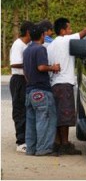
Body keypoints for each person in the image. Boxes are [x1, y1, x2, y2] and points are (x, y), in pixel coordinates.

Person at [47, 8, 86, 155]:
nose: (71, 30)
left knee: (58, 114)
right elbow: (85, 31)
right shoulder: (66, 40)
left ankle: (57, 143)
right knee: (66, 115)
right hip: (64, 83)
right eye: (69, 28)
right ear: (62, 31)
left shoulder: (51, 45)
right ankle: (65, 144)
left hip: (54, 83)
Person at [23, 24, 61, 156]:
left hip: (29, 90)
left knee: (31, 121)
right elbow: (41, 67)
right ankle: (43, 149)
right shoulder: (40, 49)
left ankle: (31, 148)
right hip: (41, 90)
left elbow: (25, 71)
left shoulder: (27, 50)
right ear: (42, 35)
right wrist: (53, 67)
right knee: (45, 119)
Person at [9, 21, 34, 153]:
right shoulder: (18, 45)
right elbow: (14, 64)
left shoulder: (29, 44)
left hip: (26, 80)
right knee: (19, 110)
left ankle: (27, 138)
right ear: (28, 32)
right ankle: (20, 142)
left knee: (27, 110)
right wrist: (30, 65)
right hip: (18, 80)